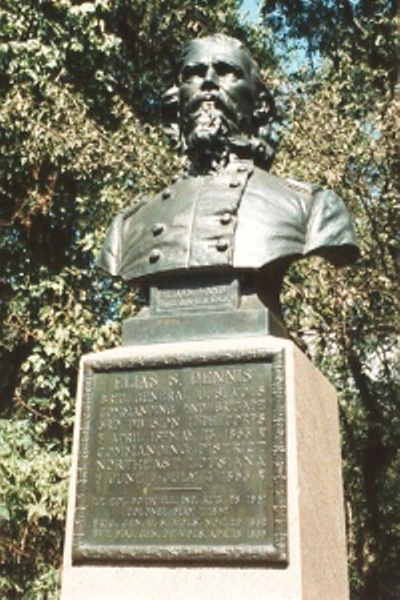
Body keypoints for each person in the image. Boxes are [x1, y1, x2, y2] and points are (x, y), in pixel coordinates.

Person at [96, 34, 359, 317]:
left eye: (226, 72)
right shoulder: (129, 226)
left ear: (260, 105)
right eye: (194, 74)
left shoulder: (311, 207)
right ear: (175, 107)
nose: (208, 81)